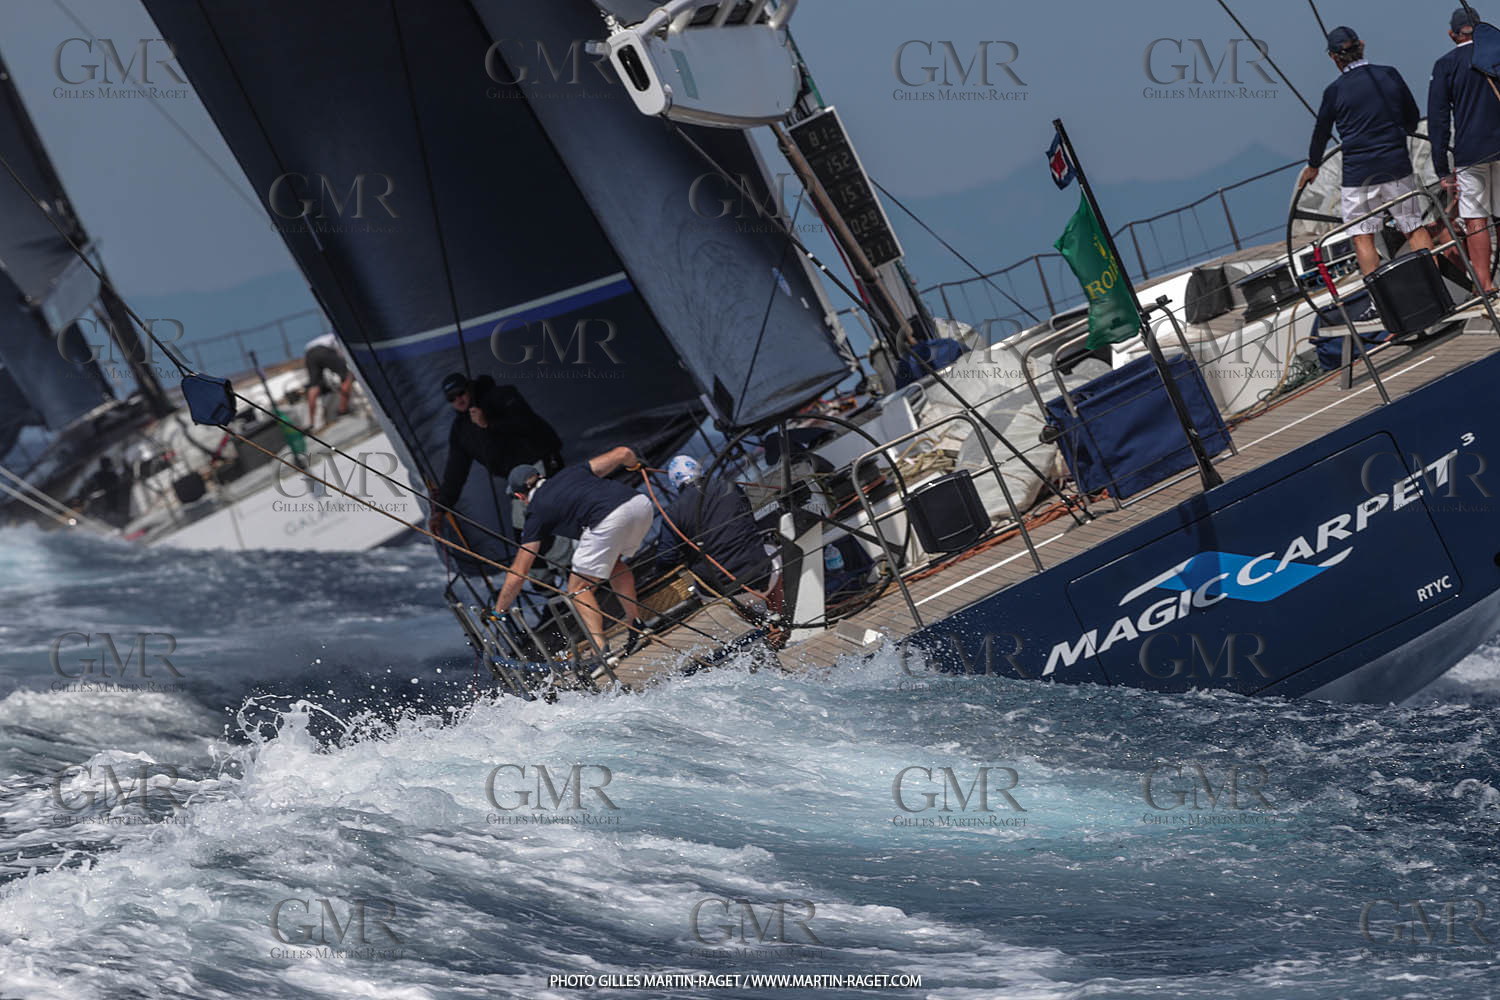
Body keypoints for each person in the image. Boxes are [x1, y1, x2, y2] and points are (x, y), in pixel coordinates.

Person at [1300, 26, 1437, 318]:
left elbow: (1321, 132)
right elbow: (1411, 116)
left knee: (1363, 237)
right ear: (1362, 45)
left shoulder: (1334, 91)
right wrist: (1401, 132)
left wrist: (1313, 165)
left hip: (1359, 174)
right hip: (1396, 165)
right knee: (1413, 227)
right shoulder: (1388, 74)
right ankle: (1434, 289)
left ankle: (1381, 304)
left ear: (1334, 58)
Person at [493, 447, 653, 657]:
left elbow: (519, 571)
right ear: (540, 476)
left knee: (577, 588)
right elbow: (623, 452)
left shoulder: (536, 512)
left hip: (608, 520)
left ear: (520, 495)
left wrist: (499, 610)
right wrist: (634, 465)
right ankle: (637, 625)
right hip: (640, 505)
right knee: (614, 563)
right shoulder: (572, 472)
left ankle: (600, 649)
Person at [428, 372, 563, 533]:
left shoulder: (501, 396)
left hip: (540, 465)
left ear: (469, 388)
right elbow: (455, 472)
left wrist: (488, 424)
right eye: (451, 398)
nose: (458, 399)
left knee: (549, 525)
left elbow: (526, 424)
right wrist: (441, 510)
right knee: (526, 533)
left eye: (460, 392)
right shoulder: (460, 430)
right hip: (517, 480)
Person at [1428, 6, 1500, 294]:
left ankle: (1485, 284)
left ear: (1452, 35)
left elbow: (1439, 120)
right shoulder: (1496, 54)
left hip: (1471, 153)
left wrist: (1441, 168)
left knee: (1476, 219)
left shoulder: (1445, 65)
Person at [654, 455, 781, 610]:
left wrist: (687, 554)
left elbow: (665, 559)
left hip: (720, 595)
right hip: (763, 578)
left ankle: (757, 624)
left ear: (675, 483)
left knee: (699, 582)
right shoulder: (728, 486)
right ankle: (779, 613)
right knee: (772, 550)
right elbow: (749, 520)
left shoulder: (673, 512)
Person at [303, 332, 353, 430]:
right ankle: (343, 409)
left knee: (314, 386)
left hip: (309, 354)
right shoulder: (337, 337)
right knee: (348, 376)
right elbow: (342, 355)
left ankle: (311, 423)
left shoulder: (325, 338)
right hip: (323, 350)